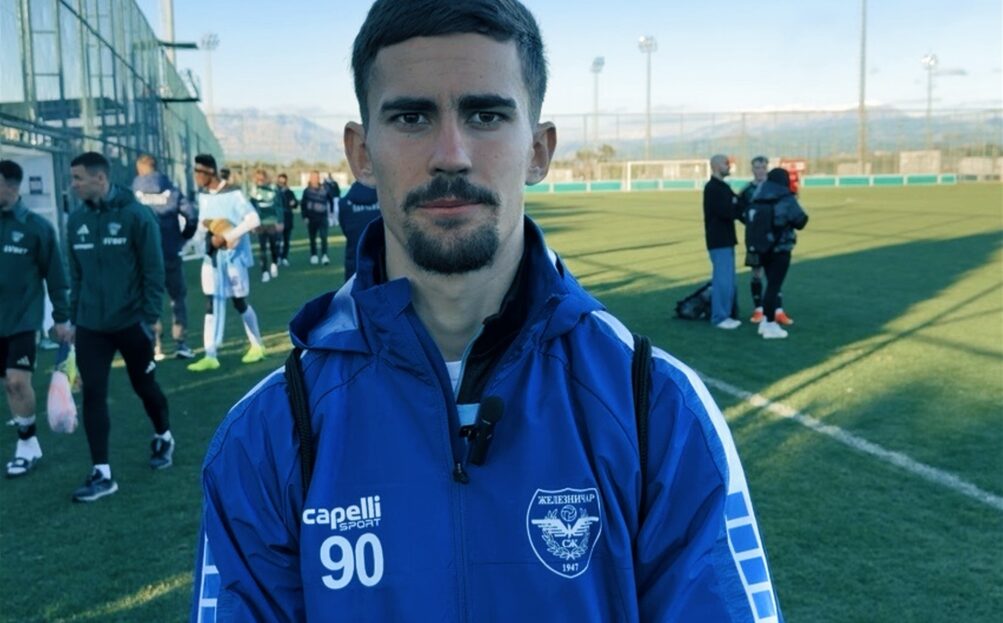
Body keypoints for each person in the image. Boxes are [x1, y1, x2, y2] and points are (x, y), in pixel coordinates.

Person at [192, 1, 783, 621]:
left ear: (539, 150)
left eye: (485, 115)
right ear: (362, 153)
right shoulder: (270, 430)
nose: (451, 154)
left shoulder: (652, 404)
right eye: (412, 117)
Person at [65, 152, 172, 502]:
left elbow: (153, 270)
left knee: (144, 386)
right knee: (93, 393)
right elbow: (75, 276)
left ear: (100, 178)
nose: (73, 184)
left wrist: (149, 318)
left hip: (131, 323)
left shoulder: (136, 215)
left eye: (78, 178)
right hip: (90, 326)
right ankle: (102, 473)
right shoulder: (76, 221)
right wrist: (72, 319)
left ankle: (164, 435)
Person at [0, 160, 72, 478]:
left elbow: (56, 276)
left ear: (11, 186)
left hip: (22, 320)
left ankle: (27, 444)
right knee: (8, 385)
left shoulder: (37, 228)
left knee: (17, 382)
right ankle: (23, 422)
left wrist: (61, 317)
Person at [186, 155, 267, 372]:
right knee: (210, 302)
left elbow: (253, 219)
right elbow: (203, 224)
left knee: (239, 302)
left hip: (233, 260)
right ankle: (210, 354)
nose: (196, 176)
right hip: (211, 259)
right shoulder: (203, 196)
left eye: (199, 172)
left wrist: (228, 236)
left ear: (211, 172)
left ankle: (257, 346)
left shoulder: (234, 194)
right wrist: (191, 244)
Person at [132, 154, 198, 360]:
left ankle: (154, 345)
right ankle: (181, 343)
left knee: (149, 300)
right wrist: (182, 238)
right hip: (170, 252)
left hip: (143, 257)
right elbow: (191, 215)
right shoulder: (171, 190)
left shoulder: (133, 192)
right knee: (177, 298)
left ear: (139, 169)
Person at [747, 168, 809, 340]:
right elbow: (801, 221)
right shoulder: (786, 197)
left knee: (770, 285)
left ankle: (765, 322)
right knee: (774, 287)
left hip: (762, 247)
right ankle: (770, 324)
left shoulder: (758, 195)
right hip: (781, 248)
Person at [703, 154, 742, 329]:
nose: (728, 166)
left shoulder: (723, 187)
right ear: (717, 166)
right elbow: (727, 211)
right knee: (722, 281)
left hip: (726, 240)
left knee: (728, 280)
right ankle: (719, 317)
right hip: (718, 241)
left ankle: (727, 314)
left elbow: (736, 205)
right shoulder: (712, 188)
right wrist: (736, 205)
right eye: (726, 163)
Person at [739, 155, 771, 324]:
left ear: (767, 168)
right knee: (756, 273)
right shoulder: (747, 191)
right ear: (752, 169)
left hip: (773, 239)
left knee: (774, 274)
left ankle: (776, 309)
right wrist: (751, 224)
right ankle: (758, 309)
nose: (760, 171)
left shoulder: (773, 188)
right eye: (757, 168)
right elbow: (739, 211)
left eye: (763, 168)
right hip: (754, 239)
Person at [336, 180, 380, 280]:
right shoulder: (384, 201)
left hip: (354, 258)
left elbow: (345, 227)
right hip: (380, 258)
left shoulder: (344, 203)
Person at [248, 169, 283, 283]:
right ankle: (264, 272)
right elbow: (250, 209)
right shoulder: (253, 191)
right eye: (257, 178)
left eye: (261, 178)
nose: (260, 180)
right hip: (260, 224)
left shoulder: (273, 190)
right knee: (262, 248)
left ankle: (274, 263)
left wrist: (280, 221)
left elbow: (278, 206)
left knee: (273, 246)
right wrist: (251, 224)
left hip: (272, 223)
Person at [300, 170, 331, 265]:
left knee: (324, 237)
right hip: (311, 217)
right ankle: (314, 255)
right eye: (313, 177)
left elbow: (331, 201)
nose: (314, 179)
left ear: (318, 178)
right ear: (310, 178)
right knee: (312, 238)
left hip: (322, 217)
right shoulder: (307, 191)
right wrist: (305, 216)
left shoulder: (325, 189)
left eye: (316, 177)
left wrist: (331, 213)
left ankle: (324, 255)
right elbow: (303, 205)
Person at [276, 172, 298, 266]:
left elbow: (295, 204)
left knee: (286, 240)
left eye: (283, 180)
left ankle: (284, 257)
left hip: (288, 218)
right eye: (280, 180)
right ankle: (277, 257)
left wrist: (294, 203)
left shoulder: (289, 192)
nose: (282, 183)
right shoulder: (275, 192)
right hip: (278, 219)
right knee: (277, 240)